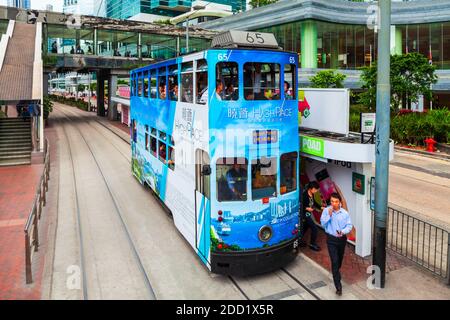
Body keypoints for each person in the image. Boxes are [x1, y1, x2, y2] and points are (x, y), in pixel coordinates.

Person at [320, 192, 353, 296]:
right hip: (331, 240)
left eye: (336, 201)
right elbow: (322, 223)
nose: (333, 204)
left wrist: (343, 231)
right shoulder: (326, 211)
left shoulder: (345, 213)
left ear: (340, 202)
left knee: (339, 261)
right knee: (334, 262)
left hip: (341, 240)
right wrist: (329, 216)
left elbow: (349, 226)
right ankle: (338, 286)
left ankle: (336, 272)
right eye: (332, 201)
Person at [300, 181, 324, 251]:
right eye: (315, 189)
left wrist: (321, 207)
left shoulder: (312, 194)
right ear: (311, 188)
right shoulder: (304, 195)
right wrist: (306, 208)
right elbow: (300, 205)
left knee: (305, 227)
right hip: (304, 215)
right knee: (315, 229)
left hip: (308, 214)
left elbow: (314, 203)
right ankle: (312, 244)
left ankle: (299, 239)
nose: (316, 191)